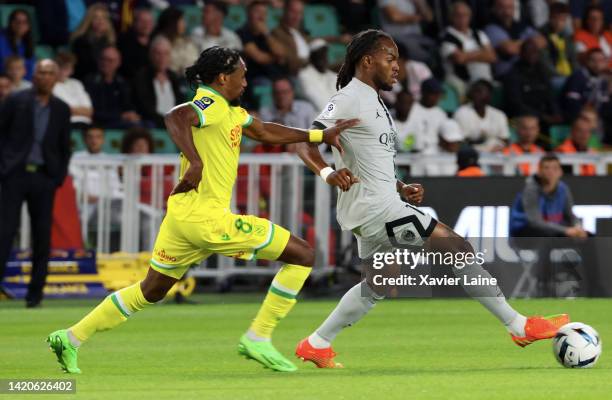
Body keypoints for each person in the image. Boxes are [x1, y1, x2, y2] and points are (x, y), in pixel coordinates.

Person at [46, 46, 357, 374]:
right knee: (304, 255)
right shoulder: (209, 101)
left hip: (181, 218)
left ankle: (70, 337)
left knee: (151, 290)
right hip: (207, 219)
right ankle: (259, 336)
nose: (247, 83)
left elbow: (265, 130)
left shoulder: (230, 110)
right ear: (223, 78)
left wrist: (320, 134)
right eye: (242, 76)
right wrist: (194, 161)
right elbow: (176, 116)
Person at [294, 29, 569, 368]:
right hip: (377, 210)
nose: (398, 67)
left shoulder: (375, 100)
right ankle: (519, 325)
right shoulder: (349, 97)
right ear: (367, 61)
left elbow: (367, 158)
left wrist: (399, 186)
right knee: (458, 248)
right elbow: (302, 142)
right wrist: (326, 172)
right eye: (390, 58)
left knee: (378, 283)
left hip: (378, 203)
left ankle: (316, 343)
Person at [0, 59, 71, 308]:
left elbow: (64, 146)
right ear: (34, 75)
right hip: (14, 174)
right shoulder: (16, 100)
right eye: (41, 72)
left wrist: (57, 177)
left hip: (44, 177)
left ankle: (35, 295)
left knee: (42, 237)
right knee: (4, 233)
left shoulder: (62, 108)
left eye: (50, 72)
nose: (45, 77)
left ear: (55, 78)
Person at [69, 125, 123, 228]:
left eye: (98, 137)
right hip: (84, 206)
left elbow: (115, 188)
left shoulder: (110, 161)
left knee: (129, 216)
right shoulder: (74, 159)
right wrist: (83, 197)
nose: (94, 141)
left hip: (108, 205)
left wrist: (104, 199)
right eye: (90, 137)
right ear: (84, 139)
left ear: (103, 140)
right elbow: (73, 185)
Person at [440, 1, 496, 99]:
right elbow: (459, 59)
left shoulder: (479, 34)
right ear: (451, 17)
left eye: (465, 15)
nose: (462, 19)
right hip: (462, 83)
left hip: (485, 81)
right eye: (458, 15)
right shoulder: (446, 38)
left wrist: (467, 55)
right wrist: (482, 53)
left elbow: (492, 57)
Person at [503, 38, 562, 129]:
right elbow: (516, 104)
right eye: (528, 52)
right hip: (524, 117)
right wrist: (542, 116)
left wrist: (556, 113)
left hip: (543, 115)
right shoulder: (513, 74)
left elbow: (550, 95)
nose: (532, 55)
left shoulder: (541, 70)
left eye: (535, 52)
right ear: (521, 54)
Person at [84, 46, 142, 129]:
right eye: (103, 59)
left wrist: (132, 114)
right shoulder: (90, 82)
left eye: (110, 60)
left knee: (148, 124)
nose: (105, 63)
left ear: (118, 62)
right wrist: (121, 116)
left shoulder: (122, 82)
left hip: (121, 121)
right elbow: (93, 112)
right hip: (100, 124)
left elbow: (128, 105)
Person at [131, 36, 183, 128]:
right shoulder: (142, 77)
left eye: (166, 54)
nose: (162, 58)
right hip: (152, 125)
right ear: (151, 55)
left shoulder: (175, 78)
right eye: (158, 54)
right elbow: (145, 107)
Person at [485, 0, 542, 79]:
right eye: (502, 7)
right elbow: (509, 49)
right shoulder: (490, 28)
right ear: (494, 9)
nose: (506, 12)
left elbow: (542, 41)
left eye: (510, 7)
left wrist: (520, 45)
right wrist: (530, 45)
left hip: (528, 71)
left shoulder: (520, 25)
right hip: (507, 74)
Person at [453, 79, 509, 152]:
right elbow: (459, 141)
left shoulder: (499, 115)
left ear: (489, 95)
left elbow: (505, 139)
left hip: (495, 155)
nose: (476, 95)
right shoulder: (461, 112)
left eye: (480, 92)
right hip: (471, 153)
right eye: (475, 92)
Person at [560, 48, 611, 125]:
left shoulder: (604, 79)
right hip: (578, 118)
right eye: (593, 60)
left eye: (601, 60)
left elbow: (606, 104)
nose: (597, 64)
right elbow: (572, 103)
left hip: (598, 119)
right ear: (587, 62)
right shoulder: (578, 76)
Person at [70, 3, 116, 80]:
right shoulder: (81, 41)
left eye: (104, 17)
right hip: (87, 80)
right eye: (96, 17)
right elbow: (87, 67)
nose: (100, 21)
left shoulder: (111, 41)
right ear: (89, 20)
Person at [539, 2, 577, 88]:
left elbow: (574, 59)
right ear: (549, 17)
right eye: (555, 18)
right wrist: (562, 76)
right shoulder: (541, 35)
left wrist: (576, 75)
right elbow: (545, 63)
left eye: (562, 19)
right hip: (552, 77)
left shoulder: (567, 36)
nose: (558, 22)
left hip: (569, 75)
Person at [153, 7, 199, 76]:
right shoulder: (160, 43)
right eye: (181, 20)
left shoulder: (186, 41)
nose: (184, 24)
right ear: (172, 23)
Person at [53, 52, 94, 128]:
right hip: (65, 124)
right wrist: (80, 111)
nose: (71, 72)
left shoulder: (77, 83)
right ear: (56, 67)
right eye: (63, 68)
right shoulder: (50, 85)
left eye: (69, 68)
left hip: (86, 124)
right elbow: (60, 111)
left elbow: (90, 111)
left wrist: (71, 110)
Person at [271, 0, 310, 76]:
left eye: (299, 13)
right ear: (284, 11)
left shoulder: (301, 33)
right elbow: (287, 59)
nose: (296, 16)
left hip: (313, 72)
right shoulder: (277, 33)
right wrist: (311, 63)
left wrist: (335, 38)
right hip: (297, 74)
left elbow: (314, 41)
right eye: (293, 12)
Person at [298, 39, 337, 111]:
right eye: (319, 54)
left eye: (325, 53)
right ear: (312, 57)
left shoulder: (334, 76)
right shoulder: (304, 75)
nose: (323, 57)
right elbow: (319, 103)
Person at [118, 8, 155, 79]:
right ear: (134, 23)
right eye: (143, 21)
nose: (146, 25)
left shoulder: (157, 40)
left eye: (149, 22)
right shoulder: (123, 41)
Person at [0, 9, 35, 80]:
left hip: (24, 83)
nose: (21, 25)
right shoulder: (1, 39)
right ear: (11, 23)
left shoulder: (28, 43)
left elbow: (30, 68)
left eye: (24, 22)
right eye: (17, 22)